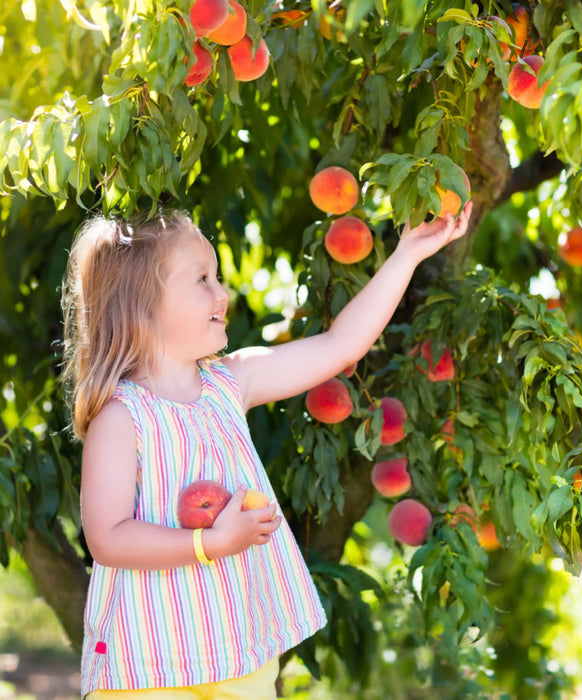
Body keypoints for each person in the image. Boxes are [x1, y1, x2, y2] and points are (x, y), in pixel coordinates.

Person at [61, 202, 471, 698]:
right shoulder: (121, 418)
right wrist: (208, 544)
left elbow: (341, 345)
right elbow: (107, 539)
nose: (223, 292)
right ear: (143, 305)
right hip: (150, 662)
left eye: (218, 276)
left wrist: (407, 254)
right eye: (203, 280)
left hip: (241, 652)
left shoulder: (231, 382)